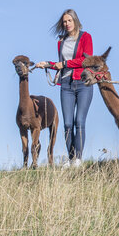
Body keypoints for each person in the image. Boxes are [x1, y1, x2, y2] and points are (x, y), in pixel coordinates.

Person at [34, 9, 93, 167]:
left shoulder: (86, 37)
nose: (67, 24)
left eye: (69, 21)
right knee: (67, 123)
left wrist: (65, 64)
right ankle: (71, 157)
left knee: (79, 121)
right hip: (66, 85)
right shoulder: (61, 41)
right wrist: (48, 64)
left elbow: (86, 60)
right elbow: (61, 64)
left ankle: (78, 159)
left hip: (83, 83)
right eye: (64, 22)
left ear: (75, 21)